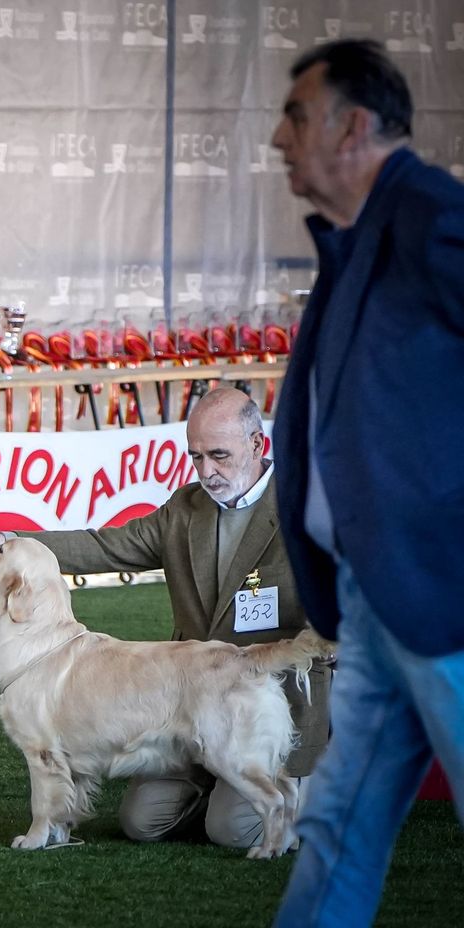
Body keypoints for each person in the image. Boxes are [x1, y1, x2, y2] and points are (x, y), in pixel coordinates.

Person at [267, 40, 464, 927]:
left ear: (353, 126)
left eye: (297, 115)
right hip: (380, 597)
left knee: (338, 826)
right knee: (336, 826)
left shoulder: (431, 216)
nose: (279, 136)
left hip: (442, 593)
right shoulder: (363, 239)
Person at [0, 387, 331, 849]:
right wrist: (13, 543)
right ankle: (217, 783)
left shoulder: (306, 509)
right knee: (142, 824)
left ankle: (296, 790)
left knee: (234, 830)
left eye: (219, 455)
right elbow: (106, 546)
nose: (206, 471)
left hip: (271, 694)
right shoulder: (185, 509)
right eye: (196, 457)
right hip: (179, 697)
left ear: (258, 445)